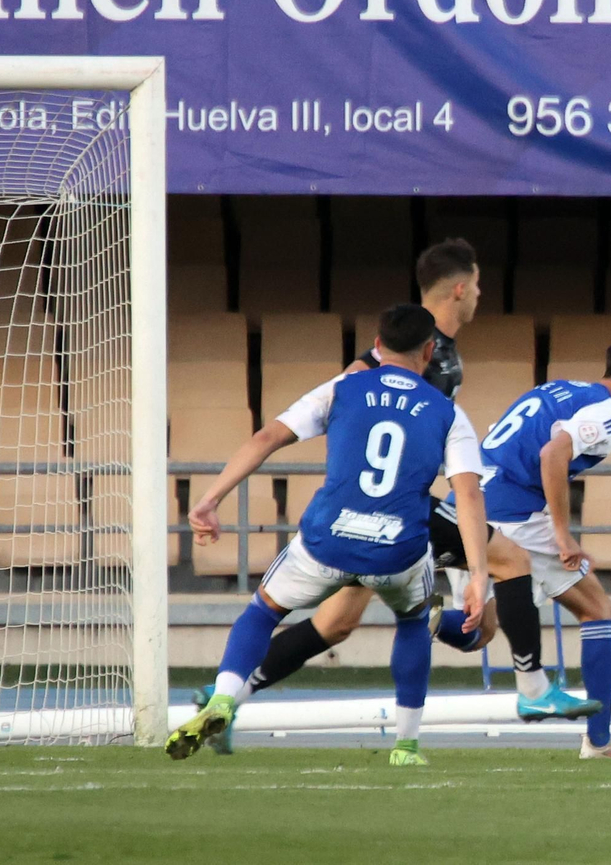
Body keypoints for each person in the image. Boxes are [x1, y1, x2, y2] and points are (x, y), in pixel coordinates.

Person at [167, 304, 490, 766]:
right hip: (396, 551)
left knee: (263, 611)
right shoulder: (448, 414)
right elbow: (469, 495)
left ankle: (224, 697)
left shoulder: (342, 388)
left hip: (327, 541)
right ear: (429, 350)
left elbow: (266, 438)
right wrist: (476, 574)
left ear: (377, 347)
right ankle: (406, 745)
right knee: (415, 621)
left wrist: (210, 499)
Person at [474, 333, 611, 760]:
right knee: (597, 609)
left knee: (478, 629)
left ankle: (431, 619)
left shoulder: (558, 388)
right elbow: (552, 456)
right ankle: (598, 742)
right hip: (518, 514)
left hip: (472, 506)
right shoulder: (609, 413)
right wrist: (564, 536)